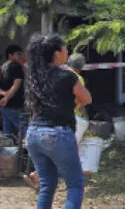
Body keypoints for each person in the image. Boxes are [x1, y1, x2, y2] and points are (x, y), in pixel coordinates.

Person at [24, 34, 92, 208]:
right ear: (56, 53)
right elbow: (87, 98)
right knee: (75, 185)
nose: (67, 52)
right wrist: (73, 103)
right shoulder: (67, 76)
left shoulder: (34, 77)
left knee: (47, 186)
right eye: (64, 49)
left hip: (34, 133)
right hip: (58, 134)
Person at [0, 44, 26, 138]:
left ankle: (11, 151)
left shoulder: (2, 67)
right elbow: (16, 85)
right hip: (15, 105)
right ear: (10, 55)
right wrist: (7, 97)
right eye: (18, 54)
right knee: (25, 130)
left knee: (8, 133)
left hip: (4, 105)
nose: (21, 57)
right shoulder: (16, 66)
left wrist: (4, 95)